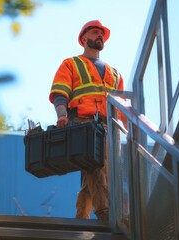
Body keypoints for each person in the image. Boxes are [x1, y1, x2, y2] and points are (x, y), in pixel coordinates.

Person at [48, 20, 124, 221]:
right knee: (95, 164)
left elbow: (122, 106)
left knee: (102, 170)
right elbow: (60, 92)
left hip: (108, 127)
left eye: (102, 33)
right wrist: (62, 115)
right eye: (94, 32)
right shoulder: (71, 64)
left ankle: (82, 216)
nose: (99, 35)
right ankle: (106, 212)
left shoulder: (114, 73)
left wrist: (125, 129)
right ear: (84, 39)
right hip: (82, 123)